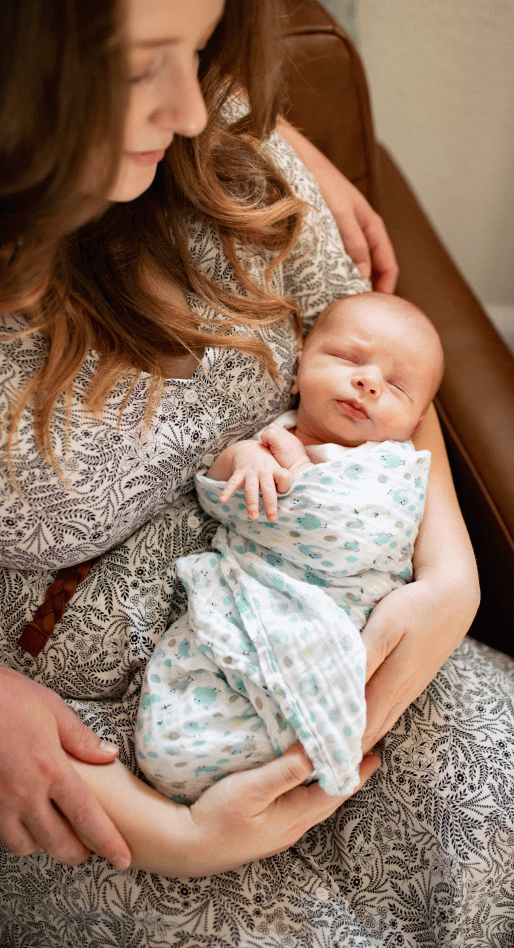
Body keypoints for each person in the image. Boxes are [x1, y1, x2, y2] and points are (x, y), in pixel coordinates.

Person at [0, 0, 514, 945]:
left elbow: (384, 375)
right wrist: (185, 836)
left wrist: (447, 579)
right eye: (137, 66)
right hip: (90, 730)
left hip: (321, 592)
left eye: (198, 45)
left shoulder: (217, 128)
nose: (192, 106)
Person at [135, 292, 444, 803]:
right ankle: (248, 768)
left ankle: (289, 755)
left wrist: (300, 476)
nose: (368, 381)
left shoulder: (393, 467)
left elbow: (362, 536)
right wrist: (244, 461)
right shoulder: (271, 438)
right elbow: (220, 496)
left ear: (416, 423)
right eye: (347, 358)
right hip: (250, 604)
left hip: (340, 626)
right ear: (298, 371)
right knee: (170, 749)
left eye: (395, 385)